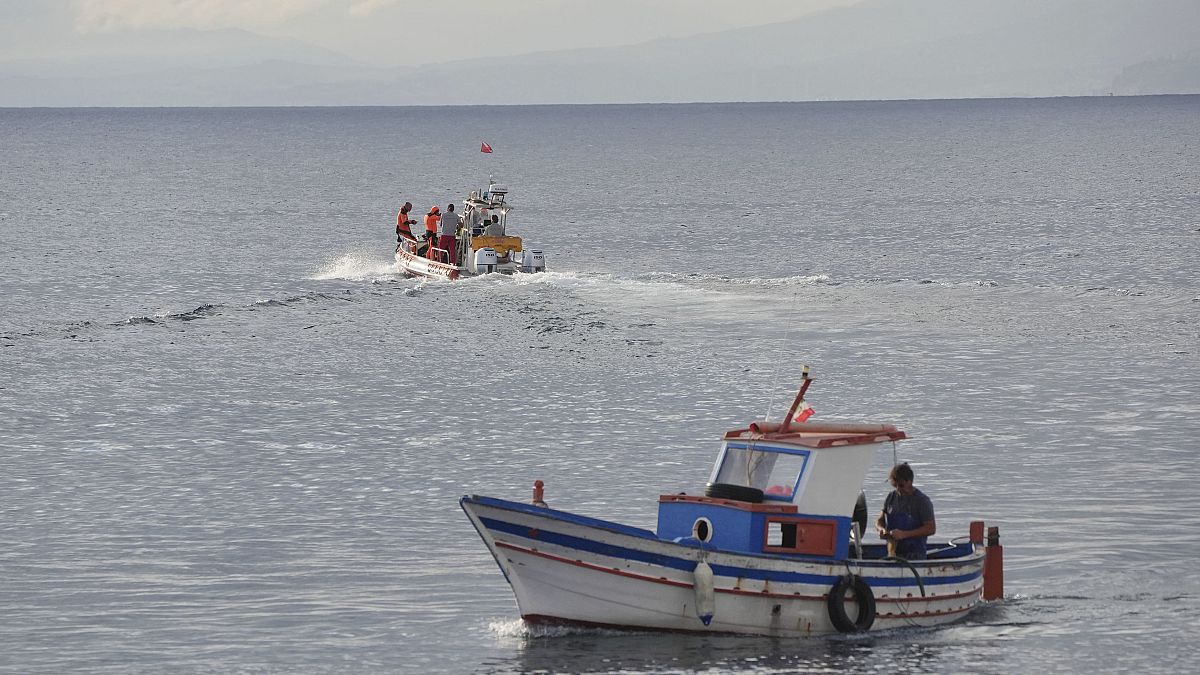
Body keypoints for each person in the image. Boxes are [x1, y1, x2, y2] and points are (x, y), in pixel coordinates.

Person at [874, 462, 936, 560]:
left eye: (901, 485)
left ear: (910, 481)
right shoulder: (891, 497)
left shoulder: (922, 501)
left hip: (915, 556)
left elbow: (931, 528)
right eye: (895, 486)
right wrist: (881, 528)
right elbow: (880, 518)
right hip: (893, 554)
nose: (898, 489)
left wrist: (904, 534)